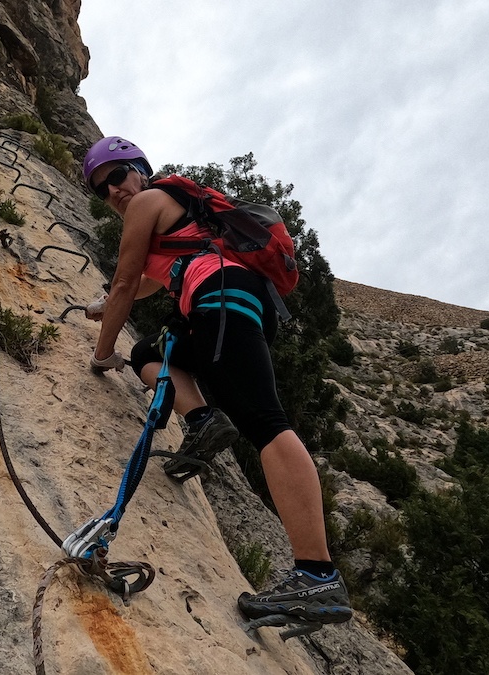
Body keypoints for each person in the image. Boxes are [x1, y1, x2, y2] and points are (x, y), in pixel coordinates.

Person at [82, 136, 352, 627]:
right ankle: (204, 420)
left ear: (139, 169)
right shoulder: (178, 215)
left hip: (219, 300)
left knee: (266, 423)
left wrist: (102, 353)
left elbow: (125, 283)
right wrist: (106, 306)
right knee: (149, 353)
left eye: (119, 175)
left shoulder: (147, 201)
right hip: (226, 302)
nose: (115, 191)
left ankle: (317, 576)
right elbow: (143, 283)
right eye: (103, 189)